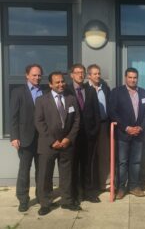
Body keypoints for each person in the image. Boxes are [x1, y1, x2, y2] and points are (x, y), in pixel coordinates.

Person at [34, 71, 81, 216]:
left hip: (66, 144)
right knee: (45, 175)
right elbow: (39, 122)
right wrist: (52, 141)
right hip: (48, 144)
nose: (61, 84)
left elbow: (77, 121)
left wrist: (69, 138)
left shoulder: (71, 99)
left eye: (62, 81)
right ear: (50, 84)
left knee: (66, 174)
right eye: (57, 82)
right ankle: (45, 203)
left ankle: (67, 201)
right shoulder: (41, 100)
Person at [109, 67, 145, 199]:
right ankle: (121, 188)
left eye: (135, 77)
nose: (132, 80)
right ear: (125, 78)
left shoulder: (143, 93)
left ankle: (134, 186)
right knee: (122, 162)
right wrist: (126, 128)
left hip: (139, 133)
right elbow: (112, 112)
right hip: (123, 133)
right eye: (130, 77)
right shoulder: (117, 92)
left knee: (136, 162)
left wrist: (140, 127)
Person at [10, 64, 44, 212]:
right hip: (25, 138)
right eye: (34, 75)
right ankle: (23, 200)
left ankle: (42, 197)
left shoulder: (45, 91)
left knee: (41, 170)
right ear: (27, 75)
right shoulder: (18, 92)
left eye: (39, 75)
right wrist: (14, 136)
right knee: (24, 170)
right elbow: (13, 116)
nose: (37, 77)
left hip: (42, 138)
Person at [67, 64, 101, 203]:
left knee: (87, 165)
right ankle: (75, 194)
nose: (80, 75)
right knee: (73, 166)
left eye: (82, 72)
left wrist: (95, 131)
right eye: (77, 72)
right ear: (72, 75)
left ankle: (88, 192)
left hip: (89, 136)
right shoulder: (67, 90)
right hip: (72, 136)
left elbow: (96, 114)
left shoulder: (91, 90)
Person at [87, 64, 111, 191]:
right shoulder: (85, 89)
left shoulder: (105, 88)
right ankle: (91, 184)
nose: (97, 76)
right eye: (94, 74)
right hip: (89, 128)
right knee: (91, 157)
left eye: (99, 73)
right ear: (89, 75)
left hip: (103, 125)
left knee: (104, 155)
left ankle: (105, 183)